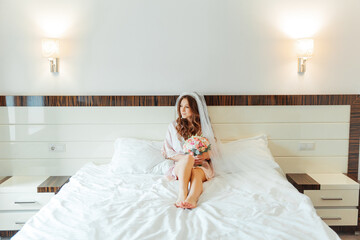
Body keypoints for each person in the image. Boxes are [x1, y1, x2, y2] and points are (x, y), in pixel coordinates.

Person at [162, 92, 221, 209]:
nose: (182, 110)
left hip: (200, 165)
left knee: (196, 173)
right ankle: (182, 195)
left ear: (195, 109)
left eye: (187, 107)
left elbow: (214, 150)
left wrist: (203, 156)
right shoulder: (173, 126)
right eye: (180, 106)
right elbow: (168, 152)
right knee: (188, 158)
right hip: (181, 165)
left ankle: (192, 199)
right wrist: (186, 158)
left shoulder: (204, 126)